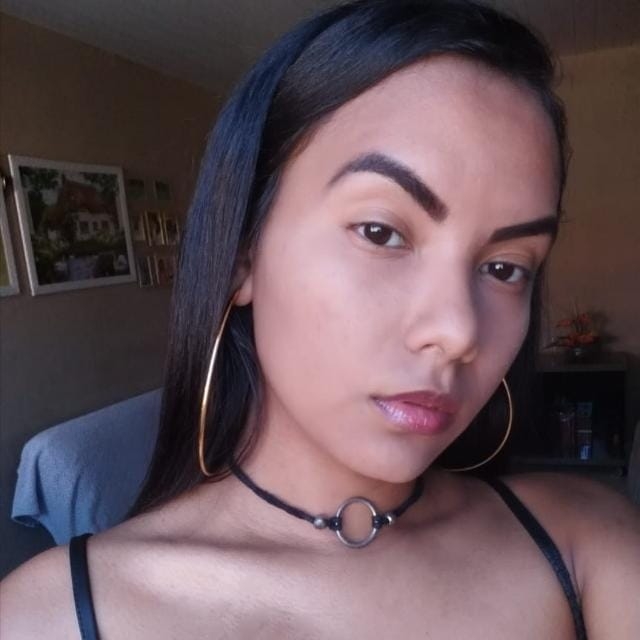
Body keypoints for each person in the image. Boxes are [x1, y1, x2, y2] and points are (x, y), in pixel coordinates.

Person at [2, 0, 639, 637]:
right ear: (242, 254)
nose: (458, 332)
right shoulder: (51, 617)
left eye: (505, 268)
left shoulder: (583, 544)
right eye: (381, 232)